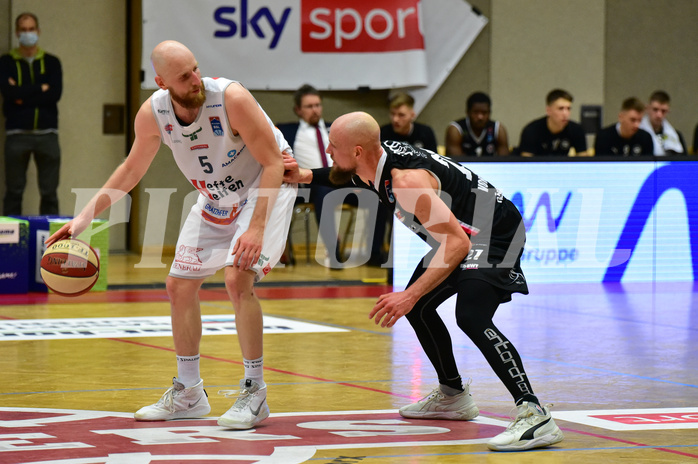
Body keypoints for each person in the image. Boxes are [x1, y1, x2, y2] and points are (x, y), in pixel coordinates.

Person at [45, 40, 296, 430]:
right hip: (216, 198)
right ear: (162, 82)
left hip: (266, 190)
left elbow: (272, 162)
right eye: (184, 76)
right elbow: (131, 170)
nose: (196, 80)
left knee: (237, 278)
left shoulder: (231, 98)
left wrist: (257, 227)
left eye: (196, 69)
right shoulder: (153, 113)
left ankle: (255, 391)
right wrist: (83, 221)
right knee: (178, 286)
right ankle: (189, 393)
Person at [283, 111, 564, 452]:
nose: (327, 149)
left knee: (471, 316)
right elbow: (344, 175)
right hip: (463, 234)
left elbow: (457, 243)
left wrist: (408, 294)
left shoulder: (405, 181)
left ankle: (534, 413)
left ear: (358, 151)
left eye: (333, 145)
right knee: (418, 307)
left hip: (494, 234)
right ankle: (452, 396)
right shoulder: (373, 161)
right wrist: (306, 174)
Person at [0, 12, 62, 215]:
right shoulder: (6, 63)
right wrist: (40, 88)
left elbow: (54, 94)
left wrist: (22, 93)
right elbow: (9, 94)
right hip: (16, 135)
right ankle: (10, 243)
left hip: (47, 134)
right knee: (13, 192)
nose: (28, 33)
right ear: (17, 33)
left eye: (31, 29)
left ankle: (52, 243)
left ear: (38, 31)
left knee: (50, 193)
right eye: (24, 30)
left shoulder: (52, 62)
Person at [277, 84, 344, 266]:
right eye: (309, 106)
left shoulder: (336, 129)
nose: (315, 110)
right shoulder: (288, 132)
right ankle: (332, 251)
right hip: (309, 185)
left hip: (343, 182)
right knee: (319, 190)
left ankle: (377, 254)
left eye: (317, 105)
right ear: (298, 110)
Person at [517, 89, 587, 157]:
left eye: (568, 109)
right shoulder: (531, 131)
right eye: (561, 108)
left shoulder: (577, 130)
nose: (565, 114)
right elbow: (526, 163)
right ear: (548, 111)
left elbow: (585, 162)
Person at [446, 91, 509, 157]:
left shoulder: (498, 129)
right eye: (476, 112)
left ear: (489, 112)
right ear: (468, 112)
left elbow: (504, 162)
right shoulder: (456, 129)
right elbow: (455, 163)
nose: (480, 117)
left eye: (484, 113)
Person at [639, 90, 687, 155]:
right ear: (647, 109)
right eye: (655, 110)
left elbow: (684, 161)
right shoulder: (637, 133)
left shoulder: (676, 135)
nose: (659, 115)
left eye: (663, 111)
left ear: (668, 111)